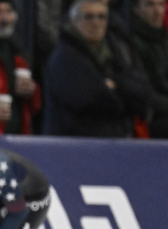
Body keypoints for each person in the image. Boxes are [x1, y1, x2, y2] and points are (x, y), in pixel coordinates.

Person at [44, 0, 150, 137]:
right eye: (88, 17)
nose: (96, 23)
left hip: (111, 144)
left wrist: (116, 84)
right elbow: (92, 100)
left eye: (101, 17)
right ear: (74, 21)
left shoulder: (114, 50)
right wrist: (125, 98)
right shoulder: (64, 57)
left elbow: (143, 90)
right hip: (73, 148)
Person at [0, 1, 41, 134]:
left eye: (8, 12)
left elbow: (34, 106)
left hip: (16, 134)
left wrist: (32, 91)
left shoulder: (16, 50)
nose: (4, 19)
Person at [131, 0, 168, 138]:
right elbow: (144, 94)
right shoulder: (133, 43)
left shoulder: (163, 39)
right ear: (136, 10)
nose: (158, 11)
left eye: (160, 5)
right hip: (152, 118)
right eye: (150, 5)